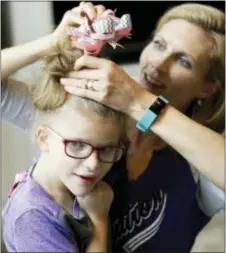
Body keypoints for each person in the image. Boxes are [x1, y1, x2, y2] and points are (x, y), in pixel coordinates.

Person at [1, 2, 224, 252]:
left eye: (183, 61)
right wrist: (53, 43)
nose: (158, 64)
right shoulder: (82, 119)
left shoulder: (198, 163)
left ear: (208, 87)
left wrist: (141, 103)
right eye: (159, 44)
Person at [2, 41, 125, 252]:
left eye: (105, 149)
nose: (93, 165)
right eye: (77, 145)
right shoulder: (32, 218)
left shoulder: (65, 172)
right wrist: (99, 221)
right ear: (43, 139)